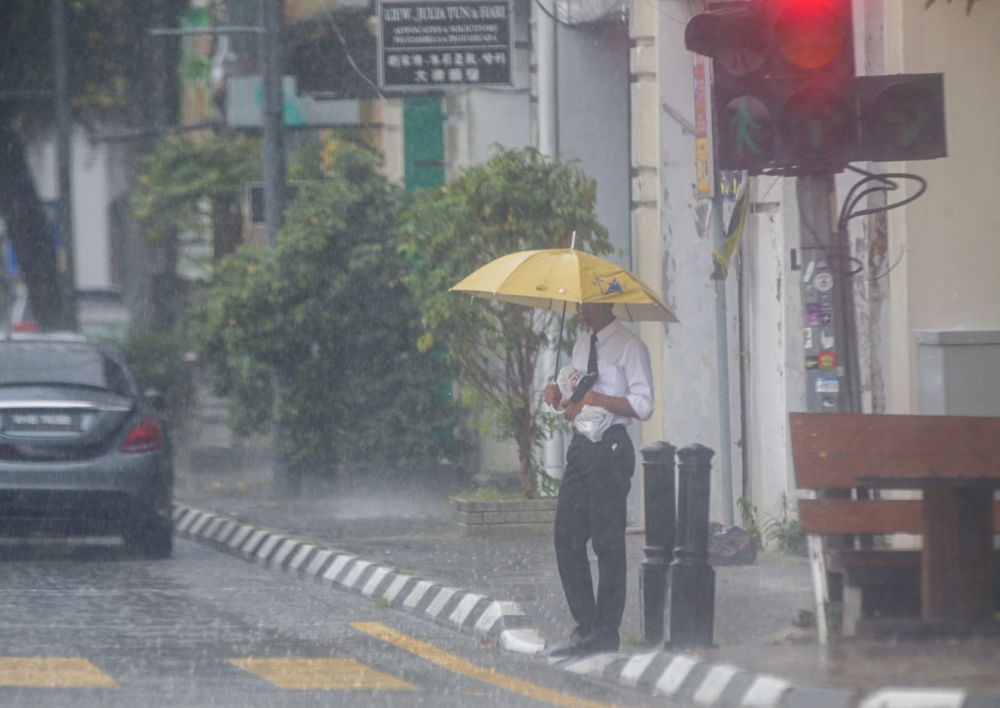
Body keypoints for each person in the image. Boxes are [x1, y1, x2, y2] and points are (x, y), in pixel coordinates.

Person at [543, 301, 654, 656]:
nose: (581, 311)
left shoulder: (629, 346)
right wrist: (559, 400)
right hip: (580, 445)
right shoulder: (580, 347)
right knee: (566, 537)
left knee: (607, 543)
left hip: (610, 448)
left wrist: (598, 399)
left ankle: (606, 632)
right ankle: (585, 626)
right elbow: (575, 403)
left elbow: (643, 405)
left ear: (607, 304)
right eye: (578, 305)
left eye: (588, 305)